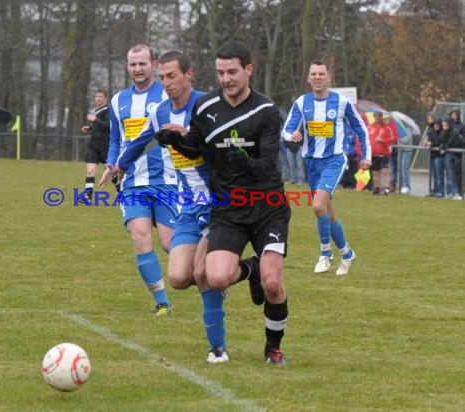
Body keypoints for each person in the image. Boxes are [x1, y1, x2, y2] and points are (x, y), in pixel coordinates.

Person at [156, 41, 290, 365]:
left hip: (266, 205)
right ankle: (251, 267)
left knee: (273, 282)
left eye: (232, 71)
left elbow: (268, 165)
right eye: (220, 73)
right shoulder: (205, 107)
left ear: (248, 70)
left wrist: (241, 158)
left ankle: (273, 347)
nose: (226, 79)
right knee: (214, 277)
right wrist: (176, 141)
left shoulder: (266, 112)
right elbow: (195, 146)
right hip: (227, 209)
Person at [99, 44, 176, 316]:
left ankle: (209, 273)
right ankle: (162, 302)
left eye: (142, 63)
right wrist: (112, 163)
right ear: (127, 67)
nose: (137, 68)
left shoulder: (168, 95)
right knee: (140, 236)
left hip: (168, 181)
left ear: (154, 64)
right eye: (133, 64)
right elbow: (115, 139)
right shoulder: (118, 100)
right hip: (132, 182)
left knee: (170, 244)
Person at [283, 59, 371, 276]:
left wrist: (366, 155)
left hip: (334, 160)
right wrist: (291, 135)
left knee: (317, 206)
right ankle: (347, 254)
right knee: (327, 214)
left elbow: (361, 128)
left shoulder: (341, 102)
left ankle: (326, 254)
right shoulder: (302, 102)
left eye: (321, 74)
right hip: (311, 162)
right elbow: (286, 129)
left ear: (329, 78)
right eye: (313, 74)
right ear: (308, 78)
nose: (317, 78)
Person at [80, 89, 115, 202]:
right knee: (90, 170)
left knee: (110, 173)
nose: (98, 99)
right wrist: (89, 128)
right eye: (96, 96)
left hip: (105, 145)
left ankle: (121, 191)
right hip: (93, 145)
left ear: (105, 98)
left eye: (100, 96)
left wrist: (95, 120)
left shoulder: (108, 110)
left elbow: (108, 126)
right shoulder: (97, 110)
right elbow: (99, 126)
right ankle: (88, 196)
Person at [368, 112, 397, 195]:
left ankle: (387, 189)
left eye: (379, 116)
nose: (378, 118)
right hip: (373, 154)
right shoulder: (370, 127)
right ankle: (376, 189)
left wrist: (383, 140)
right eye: (376, 116)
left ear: (382, 117)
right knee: (375, 172)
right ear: (374, 117)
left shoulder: (387, 128)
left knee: (385, 172)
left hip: (383, 154)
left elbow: (392, 140)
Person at [425, 118, 446, 198]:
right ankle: (435, 190)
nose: (436, 126)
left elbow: (441, 142)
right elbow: (429, 140)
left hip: (439, 156)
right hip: (433, 155)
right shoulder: (431, 131)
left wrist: (433, 143)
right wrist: (428, 143)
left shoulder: (443, 133)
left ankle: (441, 191)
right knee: (435, 175)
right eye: (435, 125)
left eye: (437, 125)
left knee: (439, 175)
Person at [448, 109, 465, 197]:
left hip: (459, 154)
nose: (453, 116)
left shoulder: (462, 126)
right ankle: (453, 192)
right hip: (450, 152)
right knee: (451, 174)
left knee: (459, 174)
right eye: (452, 115)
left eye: (455, 115)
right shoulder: (449, 126)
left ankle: (461, 192)